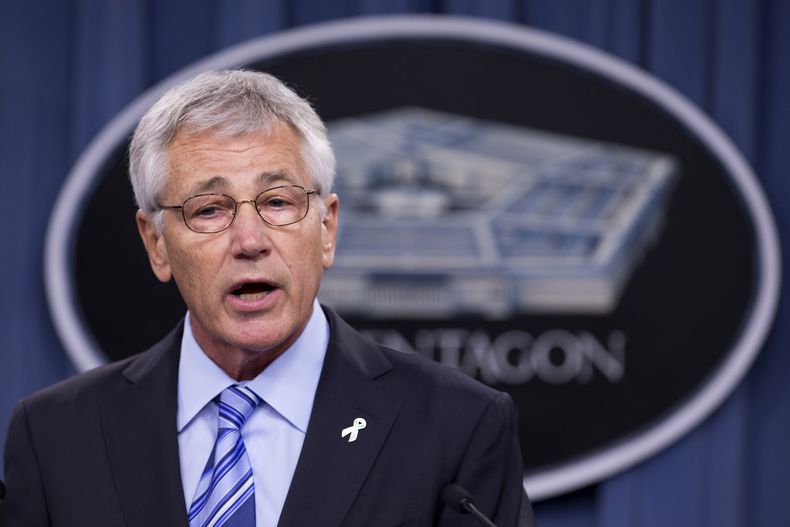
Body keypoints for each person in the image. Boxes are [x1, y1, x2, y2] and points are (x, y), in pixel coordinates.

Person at [0, 70, 533, 526]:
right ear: (156, 244)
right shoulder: (55, 436)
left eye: (278, 202)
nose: (250, 241)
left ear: (326, 229)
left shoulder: (457, 426)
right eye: (209, 210)